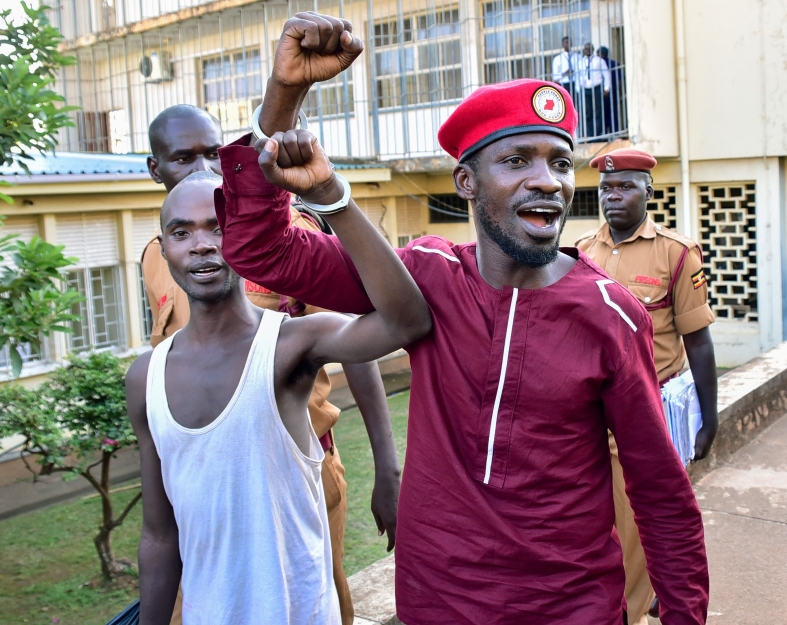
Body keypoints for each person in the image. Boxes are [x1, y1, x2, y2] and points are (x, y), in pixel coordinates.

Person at [216, 13, 709, 623]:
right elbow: (267, 253)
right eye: (518, 161)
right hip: (435, 605)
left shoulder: (612, 315)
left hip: (570, 610)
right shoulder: (425, 275)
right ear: (466, 182)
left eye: (560, 162)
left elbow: (661, 493)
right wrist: (283, 99)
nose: (548, 181)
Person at [127, 135, 431, 625]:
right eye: (181, 233)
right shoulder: (146, 377)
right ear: (163, 249)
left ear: (244, 234)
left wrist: (332, 198)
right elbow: (160, 537)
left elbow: (406, 321)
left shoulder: (293, 343)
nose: (202, 244)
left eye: (218, 228)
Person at [576, 148, 718, 625]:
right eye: (606, 189)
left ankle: (631, 611)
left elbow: (697, 340)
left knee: (635, 530)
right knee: (599, 526)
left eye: (626, 187)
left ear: (648, 192)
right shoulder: (580, 252)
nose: (614, 197)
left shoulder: (676, 253)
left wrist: (710, 419)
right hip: (590, 415)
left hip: (648, 411)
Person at [576, 42, 610, 139]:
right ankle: (590, 135)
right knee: (587, 112)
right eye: (585, 49)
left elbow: (606, 74)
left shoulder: (599, 61)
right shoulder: (580, 62)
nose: (587, 50)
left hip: (596, 87)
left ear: (593, 49)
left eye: (589, 48)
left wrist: (606, 88)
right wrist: (579, 89)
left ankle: (598, 135)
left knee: (598, 111)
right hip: (585, 89)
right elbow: (578, 76)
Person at [597, 46, 623, 135]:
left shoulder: (599, 64)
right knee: (613, 114)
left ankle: (603, 135)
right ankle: (614, 134)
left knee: (602, 115)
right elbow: (619, 81)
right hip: (614, 93)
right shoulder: (615, 64)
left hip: (602, 93)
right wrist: (620, 94)